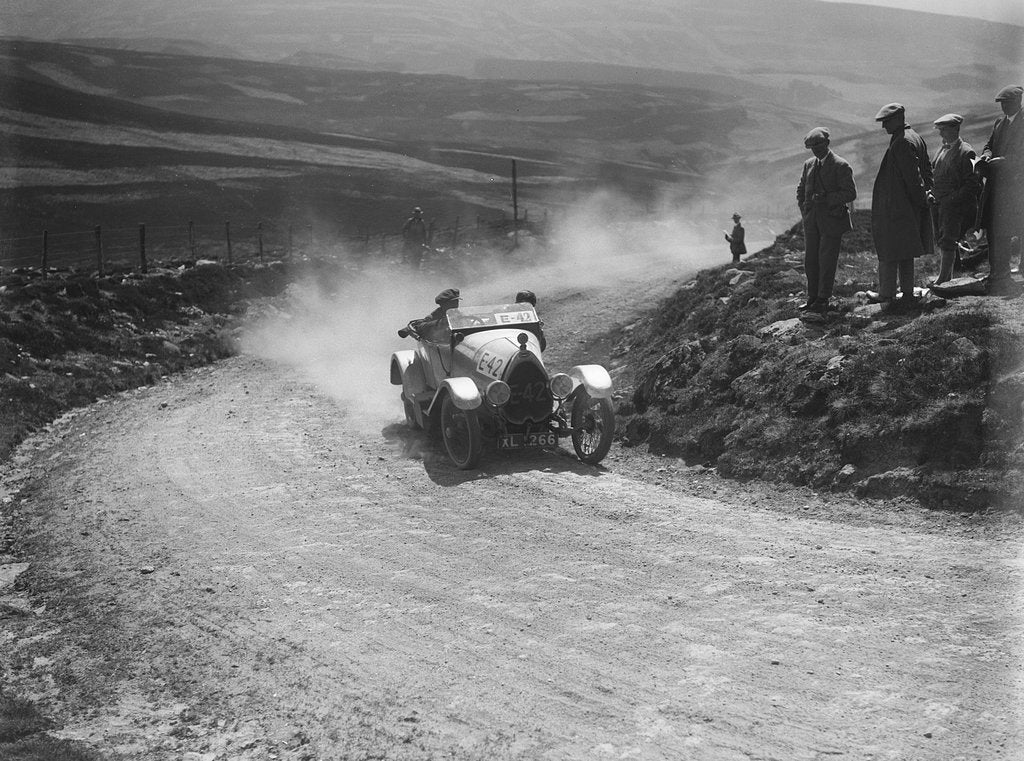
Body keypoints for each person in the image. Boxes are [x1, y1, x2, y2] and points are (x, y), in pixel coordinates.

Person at [869, 103, 933, 311]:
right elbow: (926, 170)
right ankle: (906, 292)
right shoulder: (914, 136)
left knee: (890, 249)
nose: (883, 126)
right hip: (906, 206)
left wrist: (920, 198)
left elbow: (913, 178)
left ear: (898, 119)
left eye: (886, 122)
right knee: (905, 250)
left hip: (899, 207)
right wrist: (925, 196)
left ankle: (887, 293)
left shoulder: (902, 142)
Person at [795, 127, 858, 313]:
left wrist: (827, 198)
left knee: (827, 259)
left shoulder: (841, 165)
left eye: (819, 145)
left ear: (827, 144)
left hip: (832, 221)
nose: (816, 150)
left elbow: (850, 193)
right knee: (811, 260)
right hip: (812, 222)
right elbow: (800, 191)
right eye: (812, 147)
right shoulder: (808, 165)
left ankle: (823, 298)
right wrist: (804, 211)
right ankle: (812, 296)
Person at [977, 85, 1024, 296]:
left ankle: (1012, 274)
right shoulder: (999, 123)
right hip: (997, 187)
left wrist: (1003, 161)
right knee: (995, 231)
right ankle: (997, 273)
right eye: (1001, 104)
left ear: (1018, 102)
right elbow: (988, 144)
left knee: (1015, 230)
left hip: (1016, 187)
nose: (1004, 107)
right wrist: (986, 156)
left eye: (1007, 103)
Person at [928, 113, 981, 285]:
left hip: (956, 207)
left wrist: (951, 199)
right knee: (943, 240)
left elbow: (973, 184)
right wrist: (931, 193)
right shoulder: (943, 149)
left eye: (944, 130)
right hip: (940, 205)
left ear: (956, 129)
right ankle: (947, 277)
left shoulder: (967, 152)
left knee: (948, 241)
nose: (941, 134)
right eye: (940, 130)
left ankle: (944, 278)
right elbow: (935, 173)